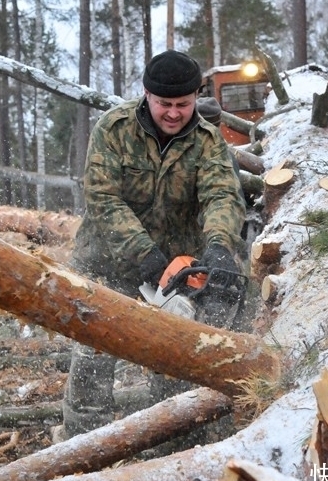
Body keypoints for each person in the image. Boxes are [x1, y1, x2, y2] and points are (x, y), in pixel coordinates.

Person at [59, 50, 246, 439]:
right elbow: (102, 197)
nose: (174, 113)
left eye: (183, 104)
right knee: (94, 353)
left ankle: (172, 443)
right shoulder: (114, 129)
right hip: (107, 260)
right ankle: (80, 445)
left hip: (174, 271)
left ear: (196, 97)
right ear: (146, 94)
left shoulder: (208, 141)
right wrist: (142, 251)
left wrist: (219, 245)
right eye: (165, 104)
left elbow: (222, 196)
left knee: (173, 355)